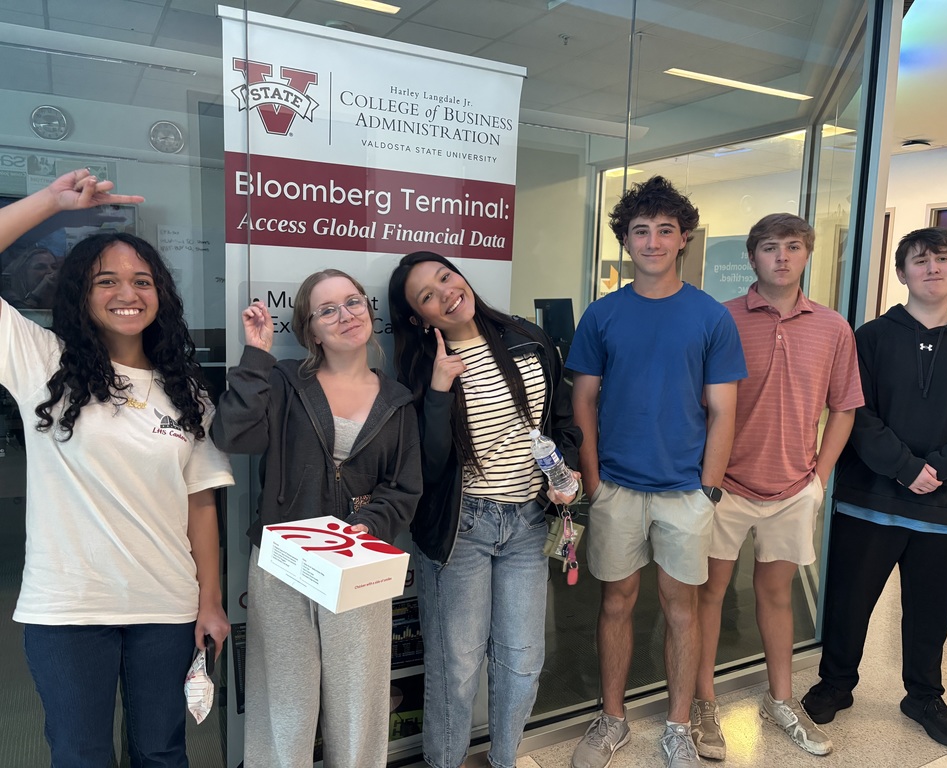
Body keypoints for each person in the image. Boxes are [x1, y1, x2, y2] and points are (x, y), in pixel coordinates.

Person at [0, 169, 234, 767]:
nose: (127, 292)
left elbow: (200, 503)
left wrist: (210, 601)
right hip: (69, 608)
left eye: (141, 281)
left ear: (160, 295)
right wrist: (50, 204)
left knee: (162, 753)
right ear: (80, 292)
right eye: (106, 280)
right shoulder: (39, 363)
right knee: (81, 756)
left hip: (167, 605)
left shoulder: (187, 392)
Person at [566, 176, 747, 768]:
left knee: (681, 606)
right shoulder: (602, 314)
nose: (652, 241)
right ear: (625, 240)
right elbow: (583, 402)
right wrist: (593, 482)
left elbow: (724, 408)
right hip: (617, 485)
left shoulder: (710, 316)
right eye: (640, 231)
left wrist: (710, 486)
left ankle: (677, 724)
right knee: (616, 602)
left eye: (664, 230)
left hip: (685, 491)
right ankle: (611, 718)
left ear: (684, 238)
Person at [801, 227, 947, 748]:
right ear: (901, 273)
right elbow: (854, 412)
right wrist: (902, 467)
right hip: (869, 498)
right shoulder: (868, 337)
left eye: (942, 259)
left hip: (946, 504)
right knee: (850, 600)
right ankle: (836, 684)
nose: (932, 268)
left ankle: (924, 695)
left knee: (931, 606)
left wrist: (935, 470)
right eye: (920, 261)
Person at [211, 271, 422, 767]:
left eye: (352, 302)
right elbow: (233, 436)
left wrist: (366, 527)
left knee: (359, 703)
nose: (346, 315)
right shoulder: (285, 381)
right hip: (284, 562)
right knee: (284, 704)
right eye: (328, 309)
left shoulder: (398, 401)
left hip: (356, 563)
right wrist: (257, 356)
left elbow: (404, 488)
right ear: (311, 329)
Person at [387, 250, 581, 768]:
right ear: (417, 317)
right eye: (427, 295)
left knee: (522, 660)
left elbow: (560, 424)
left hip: (526, 521)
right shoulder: (418, 365)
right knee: (457, 665)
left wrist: (569, 471)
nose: (446, 292)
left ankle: (505, 760)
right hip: (462, 528)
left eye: (446, 277)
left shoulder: (527, 338)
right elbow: (425, 465)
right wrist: (439, 385)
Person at [690, 214, 863, 760]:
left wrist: (820, 478)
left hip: (793, 486)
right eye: (770, 248)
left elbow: (844, 408)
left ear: (808, 255)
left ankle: (781, 700)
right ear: (752, 257)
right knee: (709, 595)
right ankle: (703, 702)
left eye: (793, 247)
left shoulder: (834, 327)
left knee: (776, 595)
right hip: (727, 485)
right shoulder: (721, 320)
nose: (782, 257)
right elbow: (698, 406)